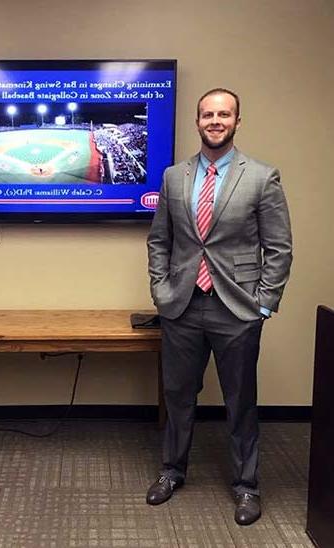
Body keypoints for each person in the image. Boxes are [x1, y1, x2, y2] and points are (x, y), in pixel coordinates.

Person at [146, 88, 292, 525]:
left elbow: (279, 248)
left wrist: (263, 304)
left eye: (223, 114)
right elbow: (160, 240)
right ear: (197, 121)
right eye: (208, 114)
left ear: (237, 121)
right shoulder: (174, 176)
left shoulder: (263, 177)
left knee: (240, 401)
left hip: (237, 309)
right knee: (177, 396)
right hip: (183, 307)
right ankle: (172, 472)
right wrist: (160, 288)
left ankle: (247, 487)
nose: (215, 120)